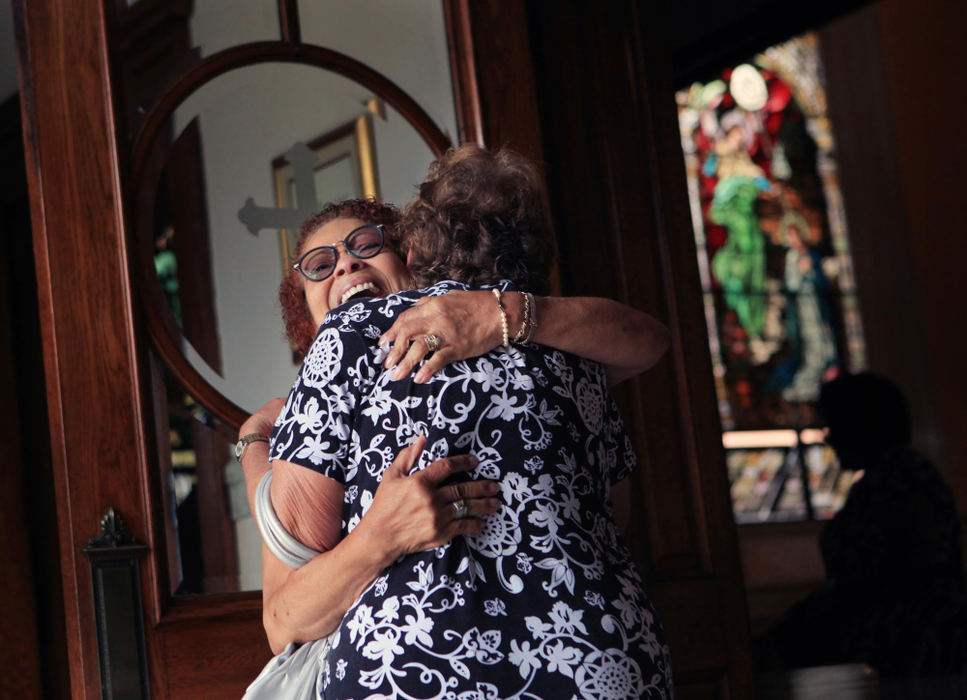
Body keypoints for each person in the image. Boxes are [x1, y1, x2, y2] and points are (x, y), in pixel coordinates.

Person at [244, 146, 673, 697]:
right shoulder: (581, 352)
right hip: (606, 658)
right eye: (321, 266)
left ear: (412, 250)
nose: (348, 264)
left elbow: (284, 623)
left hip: (417, 673)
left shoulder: (356, 336)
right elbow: (616, 513)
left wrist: (252, 442)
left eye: (366, 244)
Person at [770, 372, 967, 681]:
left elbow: (885, 579)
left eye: (833, 424)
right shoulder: (892, 478)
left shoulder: (898, 483)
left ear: (863, 424)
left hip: (918, 655)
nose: (827, 436)